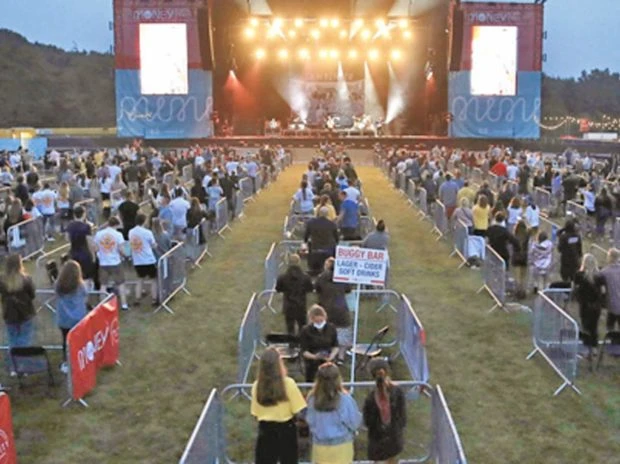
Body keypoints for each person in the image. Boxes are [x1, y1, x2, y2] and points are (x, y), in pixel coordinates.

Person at [251, 348, 307, 464]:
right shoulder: (289, 383)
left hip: (265, 429)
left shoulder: (257, 386)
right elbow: (299, 409)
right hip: (286, 429)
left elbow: (255, 413)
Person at [306, 363, 362, 463]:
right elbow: (354, 422)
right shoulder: (345, 399)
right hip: (342, 447)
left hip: (320, 448)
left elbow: (310, 420)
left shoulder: (312, 399)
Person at [363, 358, 407, 464]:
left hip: (377, 443)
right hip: (394, 440)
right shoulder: (398, 392)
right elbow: (402, 418)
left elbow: (368, 422)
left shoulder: (370, 398)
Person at [0, 254, 36, 372]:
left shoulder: (2, 281)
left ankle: (13, 366)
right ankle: (23, 365)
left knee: (13, 339)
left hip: (9, 314)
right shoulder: (26, 279)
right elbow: (32, 295)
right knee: (25, 339)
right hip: (26, 313)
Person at [315, 258, 352, 363]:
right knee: (343, 330)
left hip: (326, 309)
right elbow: (348, 289)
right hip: (341, 308)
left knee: (326, 331)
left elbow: (317, 288)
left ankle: (328, 355)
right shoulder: (342, 277)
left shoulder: (321, 278)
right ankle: (341, 356)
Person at [55, 260, 88, 374]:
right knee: (79, 341)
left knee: (66, 341)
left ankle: (66, 362)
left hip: (64, 320)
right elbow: (85, 295)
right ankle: (80, 360)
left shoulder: (58, 285)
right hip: (78, 319)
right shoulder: (80, 286)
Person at [94, 217, 129, 310]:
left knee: (103, 285)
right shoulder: (118, 235)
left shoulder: (99, 234)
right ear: (116, 225)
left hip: (103, 262)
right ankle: (124, 304)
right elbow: (121, 249)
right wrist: (126, 255)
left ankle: (102, 304)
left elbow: (96, 248)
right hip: (115, 262)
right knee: (121, 283)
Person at [275, 254, 314, 336]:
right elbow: (310, 289)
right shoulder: (305, 277)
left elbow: (278, 289)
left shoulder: (282, 277)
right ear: (299, 262)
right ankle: (302, 342)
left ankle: (291, 342)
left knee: (290, 329)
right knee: (303, 328)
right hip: (301, 306)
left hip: (288, 306)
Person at [299, 305, 339, 382]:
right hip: (312, 364)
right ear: (312, 319)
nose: (319, 323)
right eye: (317, 321)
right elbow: (304, 351)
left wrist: (331, 356)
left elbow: (335, 346)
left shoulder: (331, 328)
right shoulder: (305, 330)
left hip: (328, 362)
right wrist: (315, 357)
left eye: (321, 321)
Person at [574, 254, 603, 358]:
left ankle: (587, 349)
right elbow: (602, 291)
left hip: (585, 305)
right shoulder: (599, 276)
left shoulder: (579, 275)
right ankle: (594, 348)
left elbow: (576, 289)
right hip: (596, 306)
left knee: (585, 327)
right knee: (594, 327)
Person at [129, 213, 158, 307]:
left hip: (137, 260)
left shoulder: (131, 232)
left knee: (139, 279)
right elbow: (153, 244)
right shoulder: (147, 232)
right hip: (149, 259)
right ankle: (154, 299)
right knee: (153, 280)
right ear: (144, 221)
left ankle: (137, 299)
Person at [66, 206, 97, 287]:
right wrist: (93, 256)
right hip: (85, 253)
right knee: (87, 276)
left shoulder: (70, 226)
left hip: (73, 253)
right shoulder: (86, 226)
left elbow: (67, 238)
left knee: (77, 274)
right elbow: (89, 242)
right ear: (84, 214)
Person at [304, 207, 339, 276]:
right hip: (328, 251)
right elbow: (336, 238)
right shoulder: (332, 224)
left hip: (315, 250)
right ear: (327, 214)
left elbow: (306, 236)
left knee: (315, 271)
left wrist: (306, 242)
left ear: (319, 213)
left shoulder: (311, 223)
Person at [597, 248, 620, 331]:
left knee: (610, 327)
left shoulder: (604, 272)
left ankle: (610, 337)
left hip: (612, 304)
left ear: (609, 257)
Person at [557, 219, 582, 283]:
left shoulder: (563, 237)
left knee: (565, 277)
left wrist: (563, 229)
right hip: (575, 260)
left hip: (565, 260)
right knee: (573, 277)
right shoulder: (577, 236)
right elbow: (579, 248)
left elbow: (559, 248)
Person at [511, 221, 529, 298]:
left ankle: (518, 291)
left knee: (517, 277)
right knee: (523, 277)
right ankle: (523, 291)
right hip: (524, 257)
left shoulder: (514, 236)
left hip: (516, 257)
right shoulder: (527, 236)